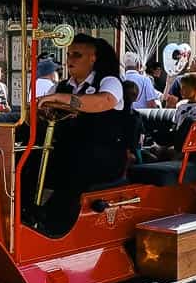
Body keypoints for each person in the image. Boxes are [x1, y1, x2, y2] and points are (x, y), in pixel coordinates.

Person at [29, 34, 129, 232]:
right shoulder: (62, 86)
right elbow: (40, 106)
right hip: (66, 152)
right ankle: (28, 215)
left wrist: (63, 99)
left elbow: (102, 102)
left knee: (74, 170)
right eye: (68, 55)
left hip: (102, 156)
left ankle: (55, 226)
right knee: (27, 163)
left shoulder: (109, 82)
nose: (70, 60)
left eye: (77, 55)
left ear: (93, 58)